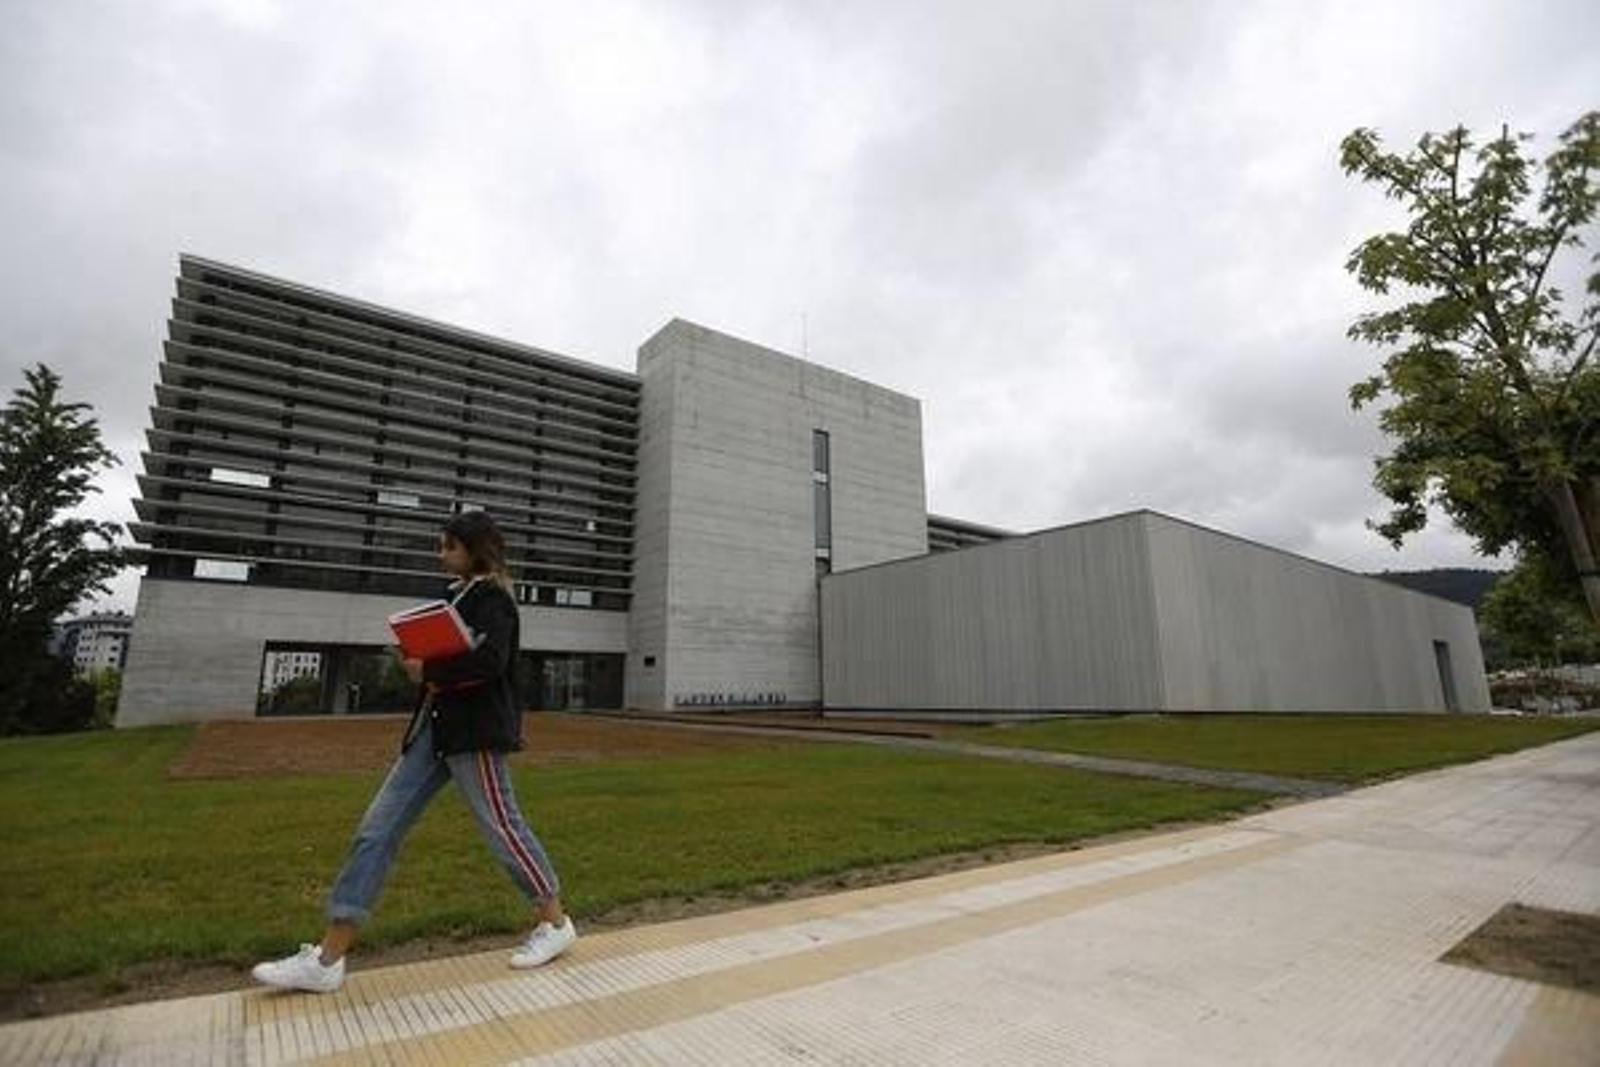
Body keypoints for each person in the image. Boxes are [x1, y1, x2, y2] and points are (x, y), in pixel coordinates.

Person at [252, 510, 574, 994]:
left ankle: (555, 924)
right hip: (433, 730)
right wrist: (414, 660)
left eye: (448, 546)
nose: (439, 554)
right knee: (376, 831)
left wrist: (430, 670)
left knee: (502, 827)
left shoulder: (494, 600)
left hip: (475, 732)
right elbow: (446, 659)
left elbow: (491, 663)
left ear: (473, 550)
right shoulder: (451, 597)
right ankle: (327, 959)